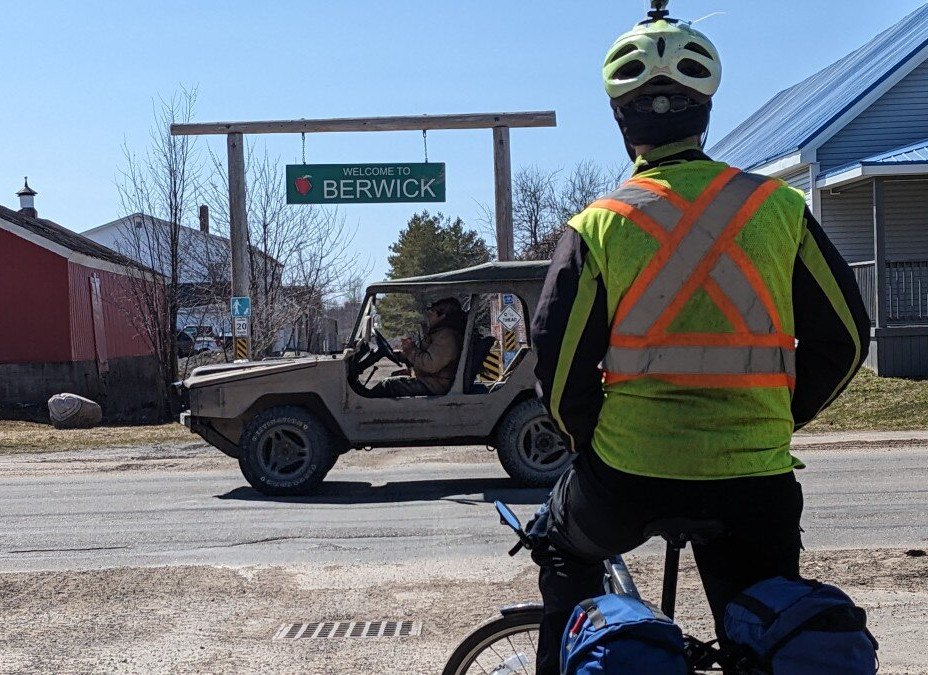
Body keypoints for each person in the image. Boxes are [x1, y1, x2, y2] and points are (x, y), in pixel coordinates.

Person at [527, 4, 871, 673]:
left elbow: (557, 363)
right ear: (705, 112)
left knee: (560, 544)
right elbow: (849, 339)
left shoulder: (597, 225)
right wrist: (777, 416)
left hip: (626, 475)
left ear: (620, 118)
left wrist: (591, 441)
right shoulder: (778, 209)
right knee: (763, 633)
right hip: (753, 476)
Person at [367, 297, 465, 397]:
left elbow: (430, 365)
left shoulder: (447, 336)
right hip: (430, 381)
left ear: (443, 315)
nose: (429, 316)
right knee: (393, 379)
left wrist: (411, 350)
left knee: (389, 386)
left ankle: (363, 409)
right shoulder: (440, 334)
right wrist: (404, 356)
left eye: (432, 312)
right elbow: (429, 357)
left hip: (436, 386)